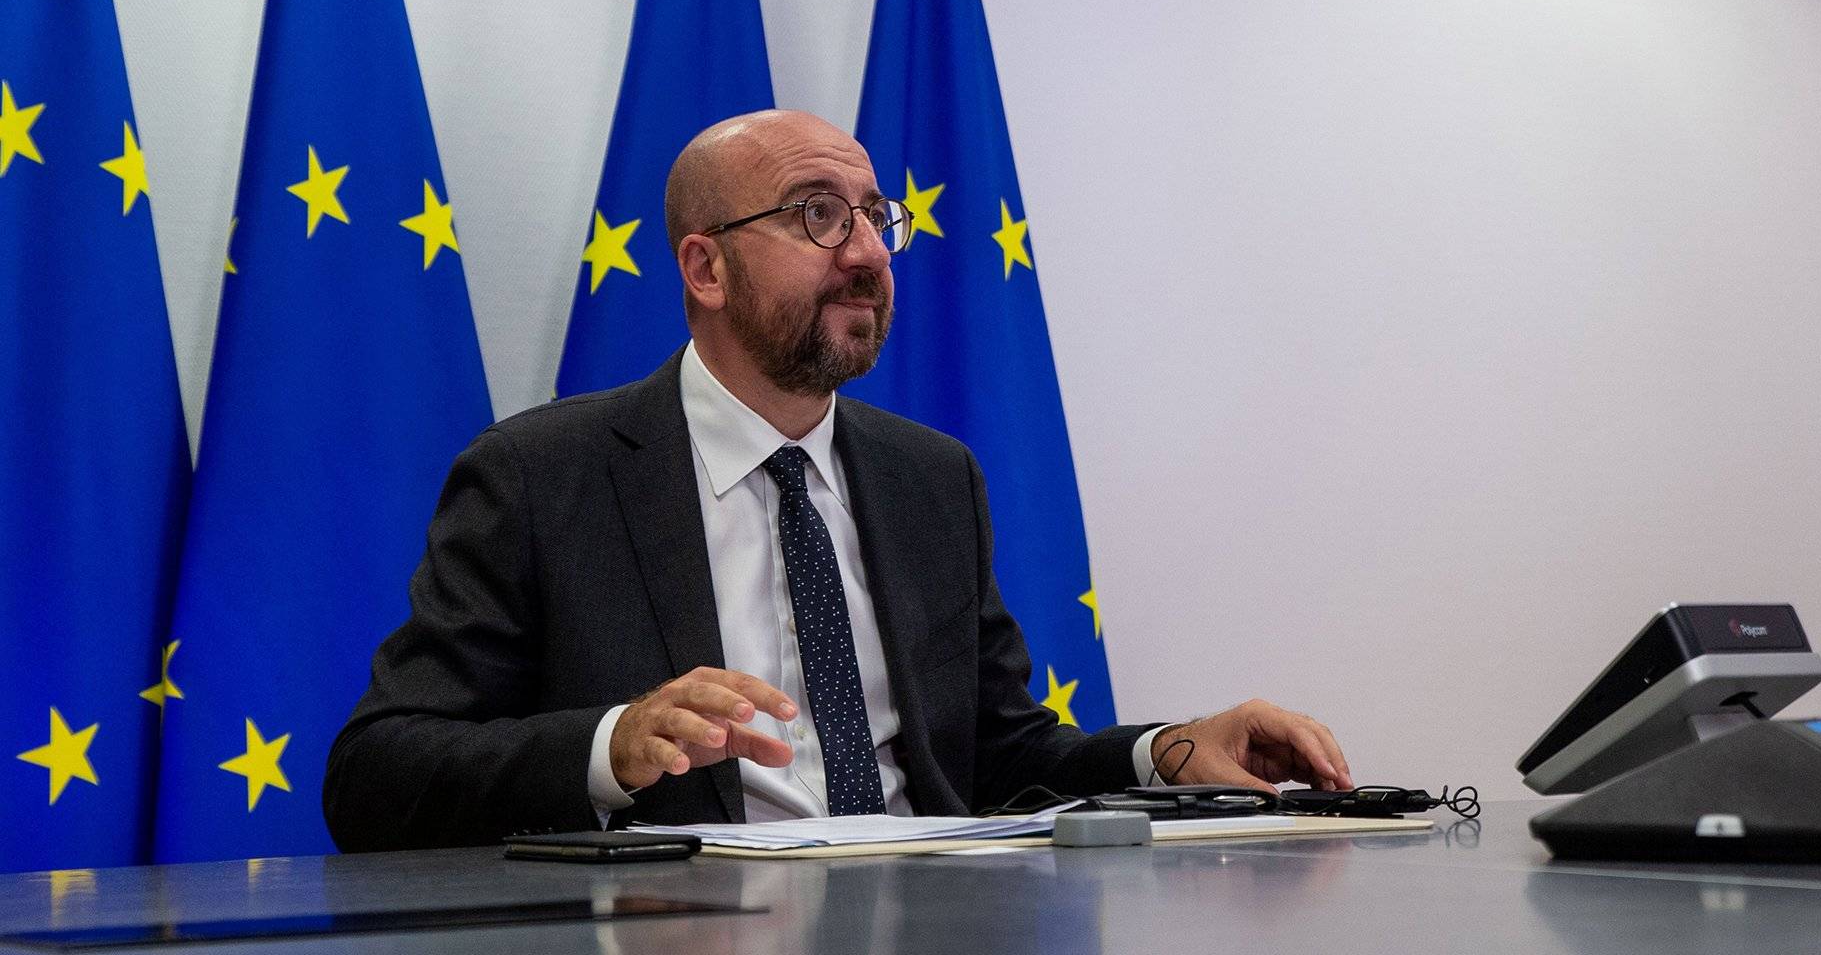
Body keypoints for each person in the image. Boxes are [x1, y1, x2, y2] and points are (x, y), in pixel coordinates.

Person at [322, 110, 1353, 850]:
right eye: (818, 215)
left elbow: (999, 759)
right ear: (705, 269)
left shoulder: (931, 479)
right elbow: (376, 775)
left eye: (873, 216)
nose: (867, 253)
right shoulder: (544, 478)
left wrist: (1167, 752)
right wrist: (611, 745)